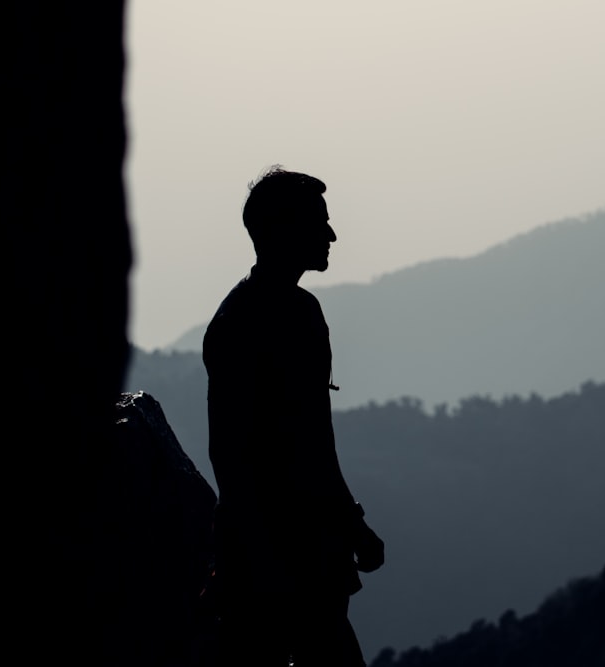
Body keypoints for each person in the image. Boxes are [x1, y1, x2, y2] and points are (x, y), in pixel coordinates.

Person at [203, 166, 384, 666]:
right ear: (284, 230)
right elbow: (298, 445)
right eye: (318, 222)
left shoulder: (254, 313)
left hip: (270, 551)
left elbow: (261, 448)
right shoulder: (281, 316)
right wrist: (351, 525)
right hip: (289, 553)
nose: (330, 234)